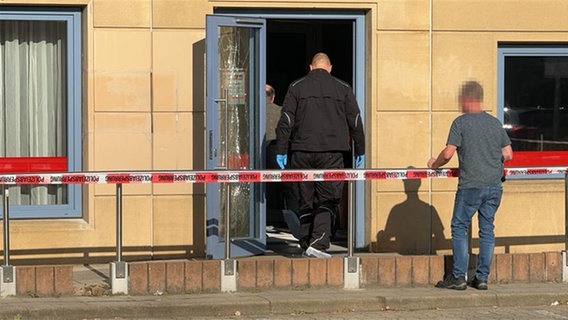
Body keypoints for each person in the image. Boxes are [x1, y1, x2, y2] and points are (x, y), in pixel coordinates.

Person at [275, 52, 365, 258]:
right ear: (330, 68)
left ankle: (306, 241)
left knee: (305, 198)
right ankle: (318, 243)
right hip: (332, 154)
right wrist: (360, 149)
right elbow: (356, 122)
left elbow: (286, 121)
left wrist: (282, 150)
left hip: (301, 152)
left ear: (311, 67)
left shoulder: (297, 87)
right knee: (329, 198)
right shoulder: (343, 88)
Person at [427, 80, 513, 290]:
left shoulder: (461, 123)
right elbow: (508, 154)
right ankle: (482, 278)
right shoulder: (494, 123)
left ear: (465, 99)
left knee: (459, 227)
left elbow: (448, 153)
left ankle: (458, 277)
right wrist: (491, 161)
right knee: (487, 231)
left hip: (470, 186)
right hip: (494, 185)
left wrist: (434, 164)